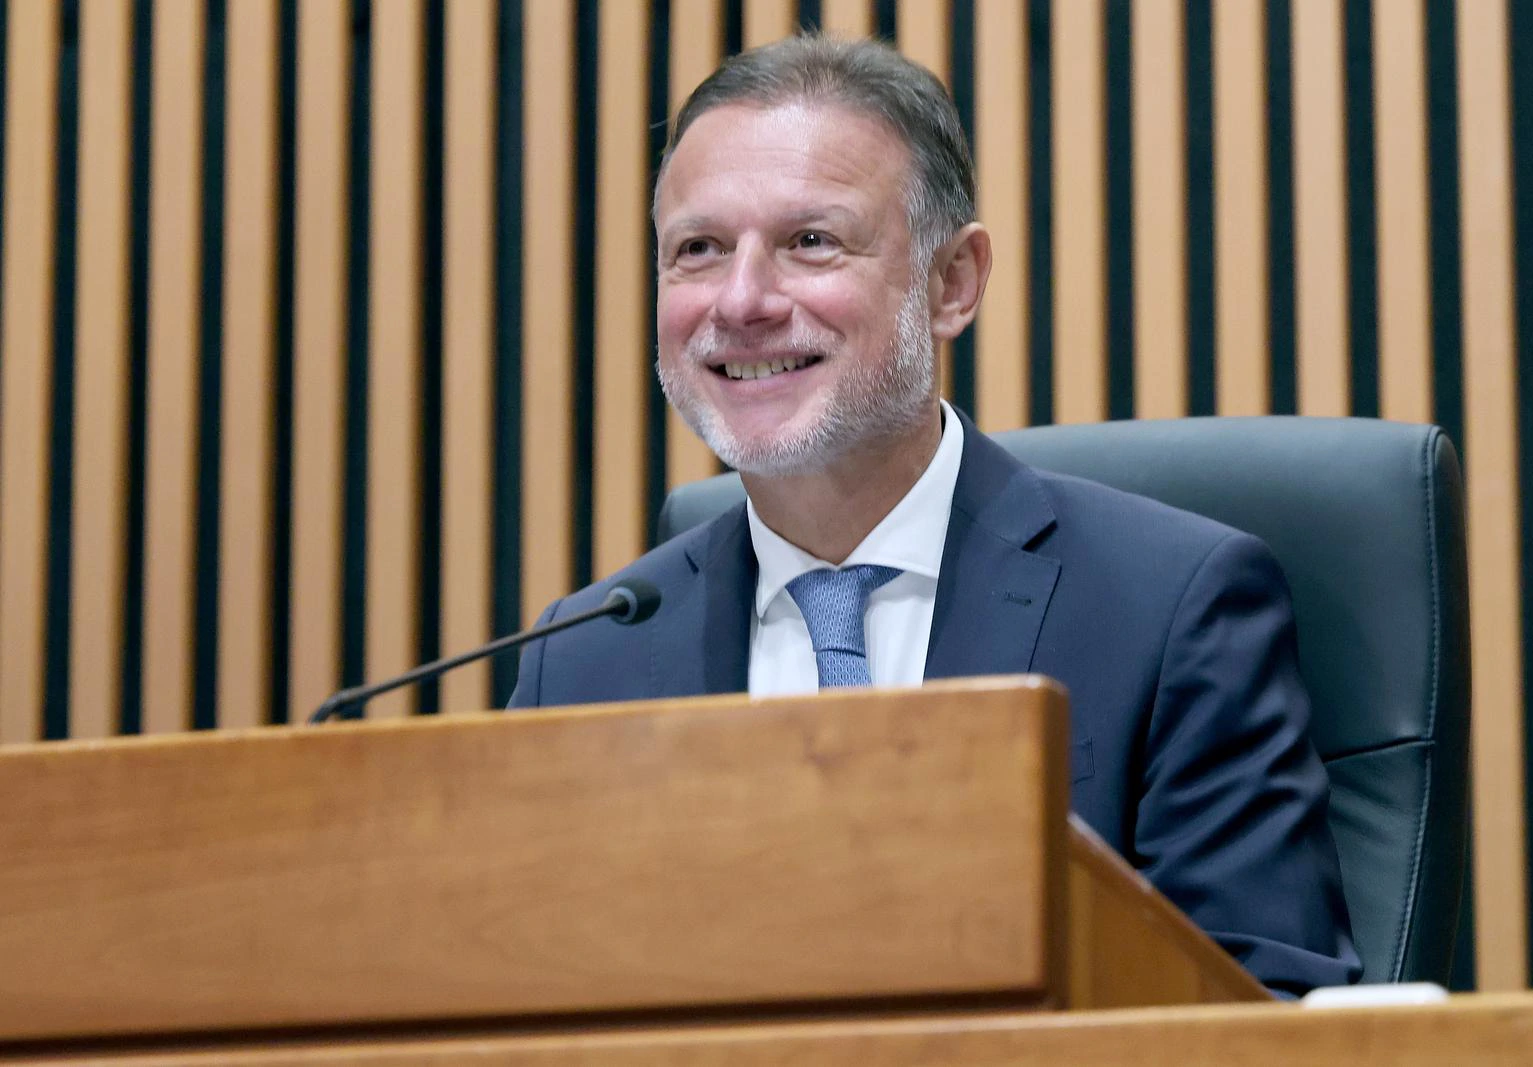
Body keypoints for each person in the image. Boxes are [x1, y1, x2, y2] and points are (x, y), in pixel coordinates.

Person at [509, 34, 1361, 996]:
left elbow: (1264, 1014)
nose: (741, 301)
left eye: (810, 241)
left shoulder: (1172, 610)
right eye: (697, 250)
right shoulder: (582, 662)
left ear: (952, 281)